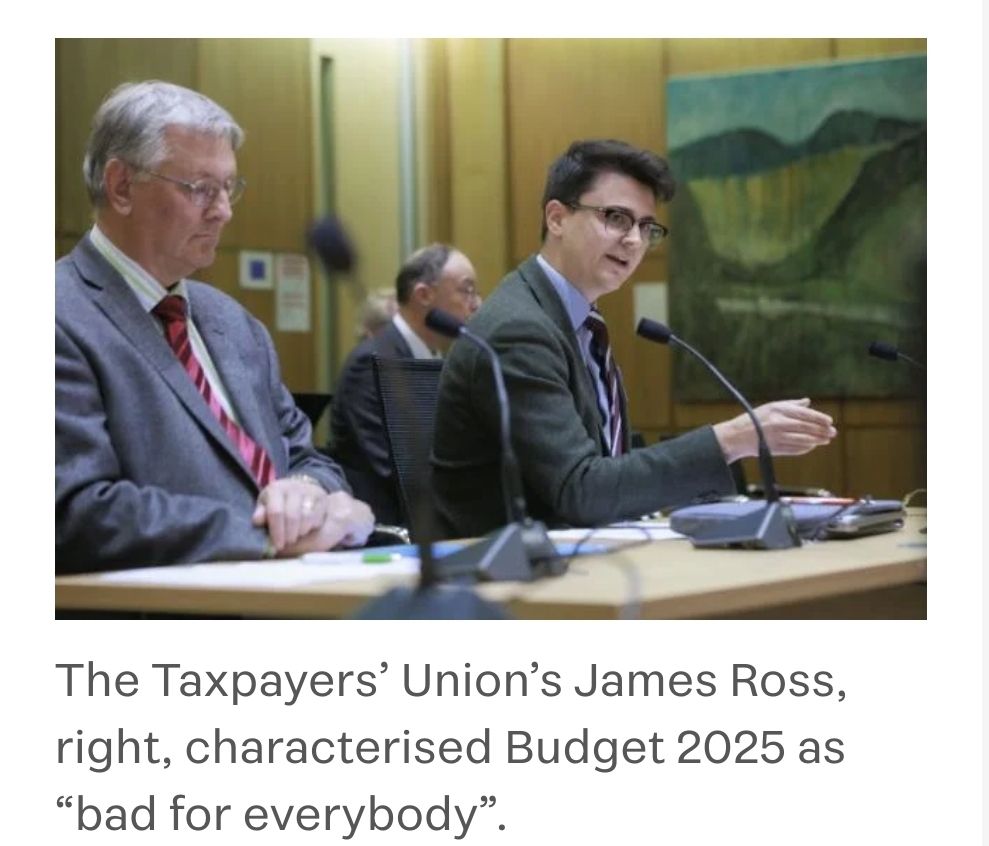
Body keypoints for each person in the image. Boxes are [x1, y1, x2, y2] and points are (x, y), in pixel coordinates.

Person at [432, 139, 837, 538]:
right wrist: (732, 439)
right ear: (556, 219)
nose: (635, 241)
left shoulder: (573, 322)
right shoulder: (518, 329)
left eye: (646, 227)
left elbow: (606, 472)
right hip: (503, 569)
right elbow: (582, 490)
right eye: (616, 218)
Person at [56, 80, 374, 573]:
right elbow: (77, 512)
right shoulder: (57, 313)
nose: (223, 211)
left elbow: (309, 459)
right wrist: (267, 536)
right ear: (121, 186)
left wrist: (310, 494)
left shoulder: (234, 323)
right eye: (200, 189)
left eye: (229, 188)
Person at [329, 244, 480, 524]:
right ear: (423, 295)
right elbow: (392, 469)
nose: (476, 303)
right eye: (466, 290)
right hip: (383, 529)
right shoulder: (372, 361)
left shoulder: (439, 357)